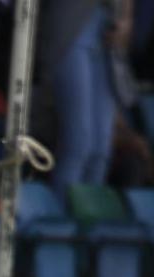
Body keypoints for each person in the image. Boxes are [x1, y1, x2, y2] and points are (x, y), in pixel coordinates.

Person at [34, 0, 133, 193]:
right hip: (68, 32)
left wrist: (126, 19)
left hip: (106, 38)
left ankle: (88, 220)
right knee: (78, 143)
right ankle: (62, 220)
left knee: (100, 149)